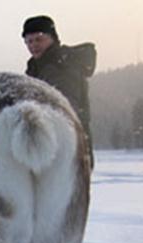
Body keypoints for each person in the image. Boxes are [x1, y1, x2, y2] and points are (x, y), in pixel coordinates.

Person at [22, 15, 96, 164]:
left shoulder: (61, 67)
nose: (33, 45)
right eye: (29, 41)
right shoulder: (37, 68)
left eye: (39, 39)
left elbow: (64, 110)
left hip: (68, 151)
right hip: (52, 149)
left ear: (52, 38)